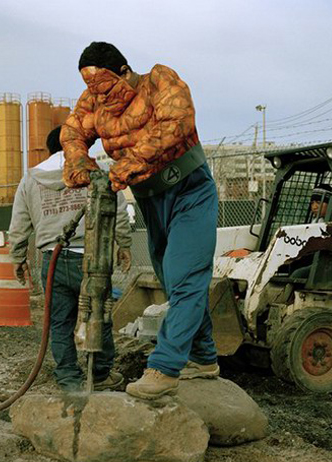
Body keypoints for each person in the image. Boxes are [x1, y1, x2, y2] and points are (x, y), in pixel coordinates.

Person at [61, 42, 219, 400]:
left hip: (189, 192)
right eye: (92, 90)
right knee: (173, 279)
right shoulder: (92, 102)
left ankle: (164, 367)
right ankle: (205, 357)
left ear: (124, 71)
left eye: (105, 86)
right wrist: (77, 161)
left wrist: (128, 165)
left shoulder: (158, 81)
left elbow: (177, 123)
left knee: (184, 275)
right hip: (150, 201)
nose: (100, 97)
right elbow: (71, 132)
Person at [9, 126, 132, 392]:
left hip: (51, 262)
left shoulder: (31, 179)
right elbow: (117, 209)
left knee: (60, 322)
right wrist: (124, 244)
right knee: (99, 315)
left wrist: (18, 257)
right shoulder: (95, 172)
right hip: (92, 259)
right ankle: (99, 374)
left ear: (48, 148)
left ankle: (68, 378)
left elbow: (19, 223)